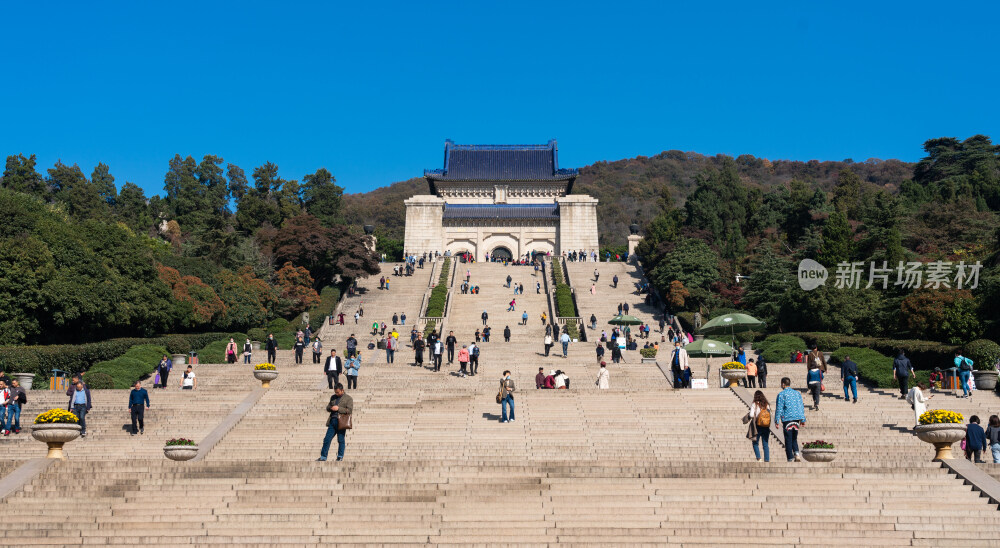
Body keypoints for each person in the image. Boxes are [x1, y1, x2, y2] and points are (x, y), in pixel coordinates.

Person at [317, 383, 353, 461]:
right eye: (335, 392)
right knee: (327, 439)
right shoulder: (333, 397)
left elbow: (349, 410)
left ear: (342, 390)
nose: (336, 394)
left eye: (338, 392)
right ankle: (323, 456)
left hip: (341, 421)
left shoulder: (348, 398)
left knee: (340, 439)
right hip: (332, 421)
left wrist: (338, 408)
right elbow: (327, 407)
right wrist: (331, 408)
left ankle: (340, 456)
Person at [775, 377, 806, 462]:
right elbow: (801, 406)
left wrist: (776, 420)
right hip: (796, 419)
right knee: (794, 437)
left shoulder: (781, 394)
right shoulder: (797, 393)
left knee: (788, 439)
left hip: (787, 419)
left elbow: (779, 408)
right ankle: (797, 453)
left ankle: (790, 457)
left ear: (783, 384)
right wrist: (803, 419)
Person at [747, 390, 771, 462]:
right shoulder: (767, 404)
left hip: (758, 426)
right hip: (766, 426)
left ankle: (759, 458)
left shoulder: (755, 404)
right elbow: (769, 414)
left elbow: (751, 415)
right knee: (765, 444)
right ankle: (767, 460)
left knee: (755, 442)